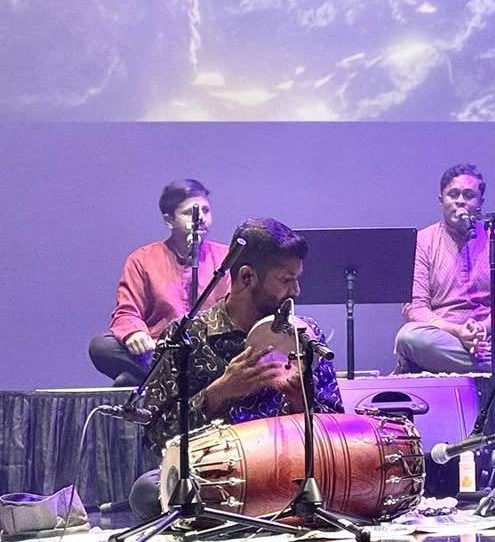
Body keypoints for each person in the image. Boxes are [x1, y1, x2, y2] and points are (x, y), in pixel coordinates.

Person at [129, 217, 343, 518]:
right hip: (218, 474)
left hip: (290, 470)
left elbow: (338, 432)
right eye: (285, 280)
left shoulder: (305, 335)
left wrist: (300, 401)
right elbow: (157, 436)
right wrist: (219, 392)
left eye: (298, 279)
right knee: (148, 491)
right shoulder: (189, 337)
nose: (296, 291)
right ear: (246, 277)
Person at [394, 163, 495, 373]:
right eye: (453, 194)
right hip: (444, 332)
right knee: (408, 336)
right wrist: (457, 331)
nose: (460, 201)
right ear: (441, 200)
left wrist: (482, 328)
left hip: (490, 330)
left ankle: (468, 360)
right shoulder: (421, 242)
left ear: (480, 203)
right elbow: (415, 307)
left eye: (468, 195)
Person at [88, 179, 231, 387]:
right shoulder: (142, 259)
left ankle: (151, 381)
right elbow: (127, 312)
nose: (201, 218)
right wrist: (134, 333)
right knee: (101, 346)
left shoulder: (227, 257)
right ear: (169, 220)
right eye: (190, 212)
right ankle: (176, 381)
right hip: (161, 353)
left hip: (210, 353)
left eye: (206, 211)